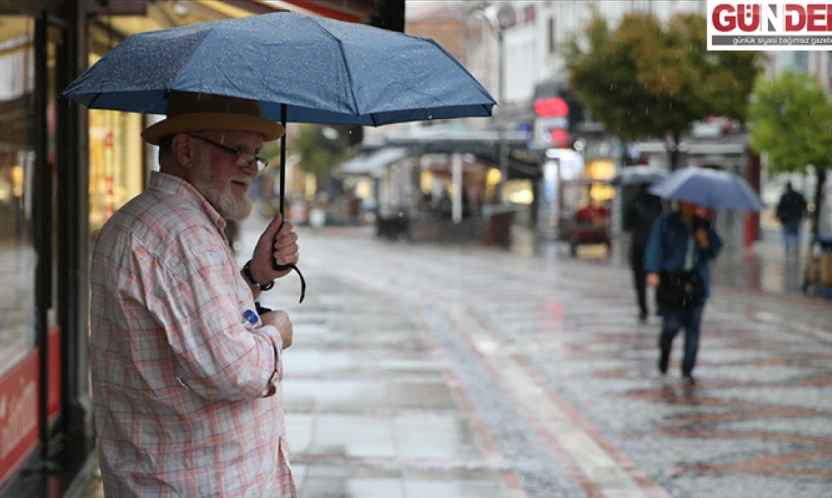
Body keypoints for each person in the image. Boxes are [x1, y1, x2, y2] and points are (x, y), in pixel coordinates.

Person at [89, 92, 300, 497]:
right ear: (185, 148)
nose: (251, 168)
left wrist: (254, 276)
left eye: (255, 154)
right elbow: (235, 370)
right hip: (199, 483)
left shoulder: (146, 219)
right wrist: (277, 333)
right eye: (237, 151)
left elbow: (188, 325)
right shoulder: (184, 236)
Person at [644, 201, 723, 385]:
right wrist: (653, 271)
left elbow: (715, 250)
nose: (690, 206)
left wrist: (705, 243)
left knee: (693, 328)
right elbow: (655, 247)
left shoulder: (703, 224)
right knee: (671, 326)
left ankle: (687, 369)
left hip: (696, 282)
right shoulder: (666, 222)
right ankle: (665, 351)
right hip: (672, 282)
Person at [623, 184, 664, 322]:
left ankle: (643, 309)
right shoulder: (658, 202)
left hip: (639, 245)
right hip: (654, 245)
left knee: (640, 280)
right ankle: (659, 307)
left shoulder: (634, 202)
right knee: (658, 276)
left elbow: (626, 225)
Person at [776, 182, 808, 255]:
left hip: (786, 218)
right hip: (796, 217)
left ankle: (787, 249)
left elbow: (779, 207)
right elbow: (804, 205)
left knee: (786, 234)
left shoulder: (784, 196)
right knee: (796, 233)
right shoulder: (798, 195)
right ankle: (796, 246)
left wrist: (778, 215)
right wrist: (805, 215)